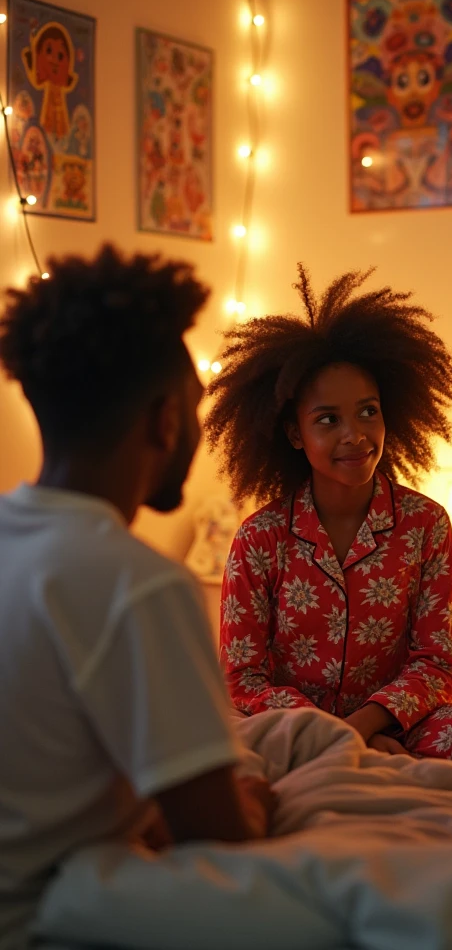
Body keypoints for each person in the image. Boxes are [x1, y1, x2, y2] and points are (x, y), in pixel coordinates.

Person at [0, 246, 275, 950]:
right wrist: (254, 801)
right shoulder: (140, 582)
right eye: (197, 407)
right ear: (165, 421)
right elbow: (219, 843)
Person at [206, 267, 452, 760]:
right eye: (328, 420)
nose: (354, 434)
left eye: (368, 411)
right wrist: (324, 734)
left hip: (400, 725)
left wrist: (361, 728)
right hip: (288, 730)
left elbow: (439, 663)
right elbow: (242, 674)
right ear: (295, 435)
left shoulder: (426, 524)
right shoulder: (259, 538)